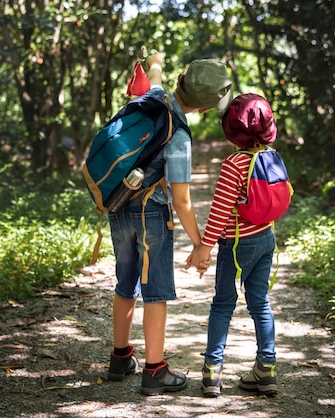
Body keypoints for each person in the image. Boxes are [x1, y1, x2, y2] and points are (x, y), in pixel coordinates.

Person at [107, 52, 232, 396]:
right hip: (151, 216)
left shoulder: (153, 97)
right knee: (156, 292)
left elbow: (156, 75)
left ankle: (120, 358)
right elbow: (181, 201)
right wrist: (200, 244)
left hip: (118, 206)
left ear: (180, 80)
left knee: (126, 282)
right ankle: (155, 370)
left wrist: (155, 62)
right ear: (205, 109)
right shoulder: (178, 133)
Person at [187, 93, 279, 398]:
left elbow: (220, 210)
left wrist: (205, 248)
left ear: (232, 129)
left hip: (238, 244)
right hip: (267, 239)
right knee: (260, 303)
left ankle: (212, 372)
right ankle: (266, 370)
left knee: (224, 304)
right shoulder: (271, 155)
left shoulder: (234, 164)